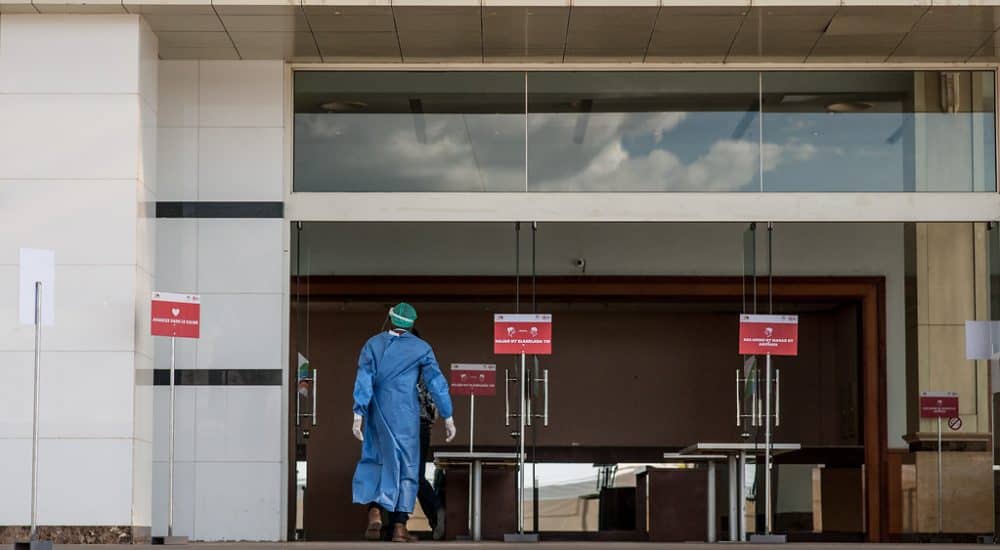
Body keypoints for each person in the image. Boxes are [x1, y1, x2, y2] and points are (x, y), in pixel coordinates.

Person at [351, 302, 456, 543]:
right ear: (412, 323)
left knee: (376, 461)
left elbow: (364, 378)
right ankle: (399, 526)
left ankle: (374, 511)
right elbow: (436, 383)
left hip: (378, 413)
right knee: (408, 470)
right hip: (407, 416)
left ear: (391, 318)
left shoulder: (372, 344)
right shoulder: (422, 348)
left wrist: (358, 413)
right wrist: (448, 415)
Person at [411, 327, 446, 541]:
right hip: (423, 425)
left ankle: (395, 526)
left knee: (402, 474)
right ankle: (436, 514)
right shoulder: (429, 368)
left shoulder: (403, 370)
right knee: (416, 476)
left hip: (407, 425)